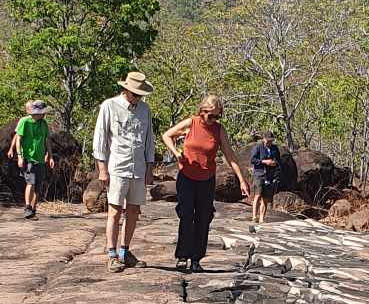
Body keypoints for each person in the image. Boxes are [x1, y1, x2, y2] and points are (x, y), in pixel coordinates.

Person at [162, 96, 250, 273]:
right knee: (186, 216)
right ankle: (182, 256)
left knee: (203, 219)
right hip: (186, 177)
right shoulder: (191, 123)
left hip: (206, 179)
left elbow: (230, 155)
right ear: (202, 112)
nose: (214, 120)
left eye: (218, 116)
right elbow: (166, 135)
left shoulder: (218, 130)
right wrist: (176, 153)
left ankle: (196, 259)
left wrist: (242, 179)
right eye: (211, 116)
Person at [91, 70, 156, 273]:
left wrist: (149, 166)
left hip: (138, 167)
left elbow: (149, 140)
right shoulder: (109, 106)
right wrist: (102, 169)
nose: (138, 97)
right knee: (115, 210)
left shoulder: (145, 110)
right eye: (135, 93)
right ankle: (111, 253)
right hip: (117, 166)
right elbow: (100, 138)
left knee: (134, 211)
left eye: (140, 94)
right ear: (125, 89)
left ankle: (124, 251)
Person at [10, 99, 54, 220]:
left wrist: (50, 156)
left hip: (40, 159)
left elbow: (46, 140)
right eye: (43, 112)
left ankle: (33, 210)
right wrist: (19, 155)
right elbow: (18, 139)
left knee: (38, 186)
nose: (44, 114)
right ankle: (27, 207)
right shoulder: (24, 122)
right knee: (31, 182)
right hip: (28, 158)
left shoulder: (43, 123)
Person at [250, 131, 282, 224]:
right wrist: (264, 162)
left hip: (270, 175)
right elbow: (253, 160)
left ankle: (262, 218)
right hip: (259, 174)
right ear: (263, 139)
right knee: (258, 195)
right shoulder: (258, 147)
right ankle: (254, 216)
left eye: (271, 141)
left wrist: (274, 163)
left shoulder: (274, 148)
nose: (269, 142)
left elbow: (278, 160)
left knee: (266, 198)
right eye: (268, 140)